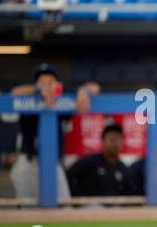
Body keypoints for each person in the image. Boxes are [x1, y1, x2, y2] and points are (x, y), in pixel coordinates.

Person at [10, 63, 100, 201]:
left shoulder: (62, 99)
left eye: (50, 81)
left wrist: (84, 91)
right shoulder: (29, 97)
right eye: (42, 81)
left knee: (64, 206)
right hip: (29, 162)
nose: (46, 85)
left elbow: (95, 87)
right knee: (28, 211)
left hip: (53, 163)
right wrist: (38, 89)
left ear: (57, 84)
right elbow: (14, 92)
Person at [66, 124, 135, 196]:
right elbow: (69, 176)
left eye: (118, 139)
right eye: (111, 139)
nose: (115, 143)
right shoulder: (89, 162)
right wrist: (77, 200)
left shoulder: (123, 169)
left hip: (115, 206)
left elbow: (129, 193)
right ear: (103, 141)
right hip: (90, 205)